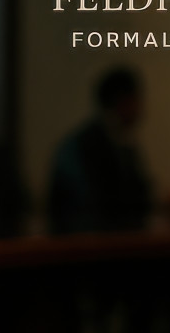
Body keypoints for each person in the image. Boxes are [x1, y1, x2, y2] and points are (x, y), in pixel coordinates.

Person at [48, 68, 152, 234]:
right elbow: (105, 203)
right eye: (137, 99)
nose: (142, 108)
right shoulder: (89, 145)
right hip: (84, 244)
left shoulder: (117, 140)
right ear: (122, 101)